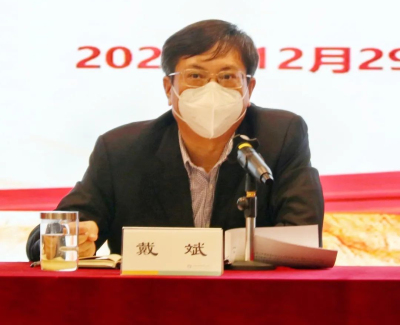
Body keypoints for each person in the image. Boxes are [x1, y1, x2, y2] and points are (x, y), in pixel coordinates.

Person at [26, 19, 324, 261]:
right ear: (169, 88)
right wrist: (71, 239)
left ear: (249, 88)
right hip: (150, 302)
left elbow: (303, 236)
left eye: (227, 77)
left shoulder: (281, 135)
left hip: (248, 301)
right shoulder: (121, 149)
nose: (211, 89)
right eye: (195, 76)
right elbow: (43, 240)